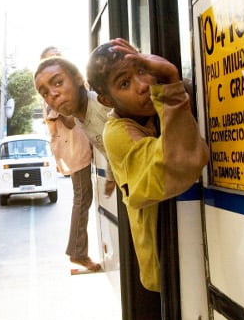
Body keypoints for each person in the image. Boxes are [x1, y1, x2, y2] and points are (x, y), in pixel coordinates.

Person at [86, 38, 210, 292]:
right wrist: (171, 80)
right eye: (124, 83)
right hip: (166, 266)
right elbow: (178, 162)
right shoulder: (117, 133)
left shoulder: (158, 105)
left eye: (142, 70)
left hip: (195, 247)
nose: (142, 86)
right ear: (107, 101)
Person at [34, 47, 115, 272]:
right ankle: (78, 252)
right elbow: (69, 122)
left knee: (82, 198)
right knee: (82, 198)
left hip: (79, 145)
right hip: (73, 148)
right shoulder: (53, 96)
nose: (53, 91)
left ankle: (78, 252)